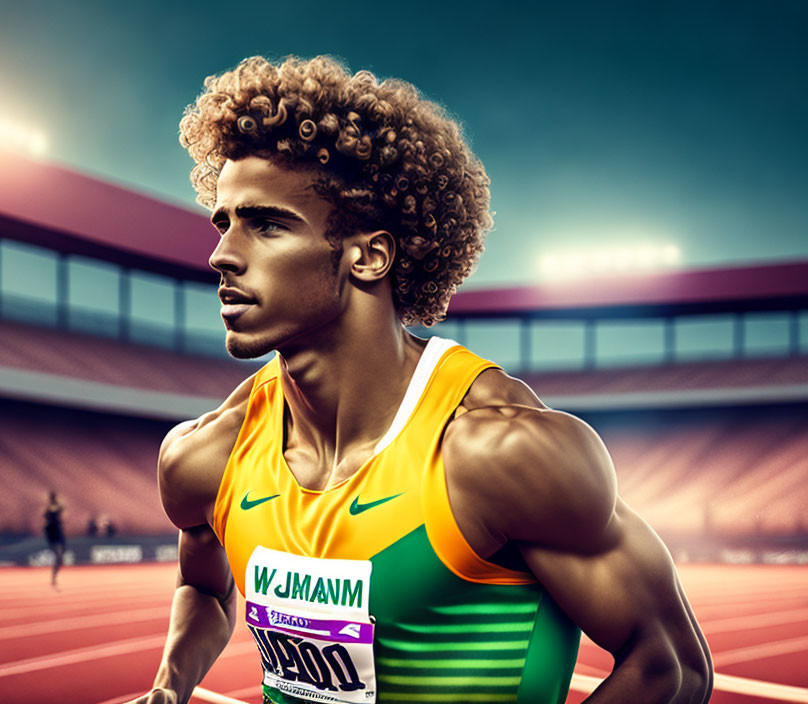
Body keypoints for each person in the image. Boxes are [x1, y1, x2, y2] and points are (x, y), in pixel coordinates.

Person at [130, 56, 712, 704]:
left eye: (266, 224)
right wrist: (169, 686)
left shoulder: (497, 456)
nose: (222, 255)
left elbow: (670, 665)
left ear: (369, 255)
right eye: (224, 223)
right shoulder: (206, 458)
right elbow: (205, 588)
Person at [43, 490, 65, 588]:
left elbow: (61, 508)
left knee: (60, 559)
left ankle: (54, 578)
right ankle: (54, 579)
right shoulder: (51, 508)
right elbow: (54, 510)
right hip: (53, 532)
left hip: (58, 532)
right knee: (58, 556)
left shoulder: (55, 507)